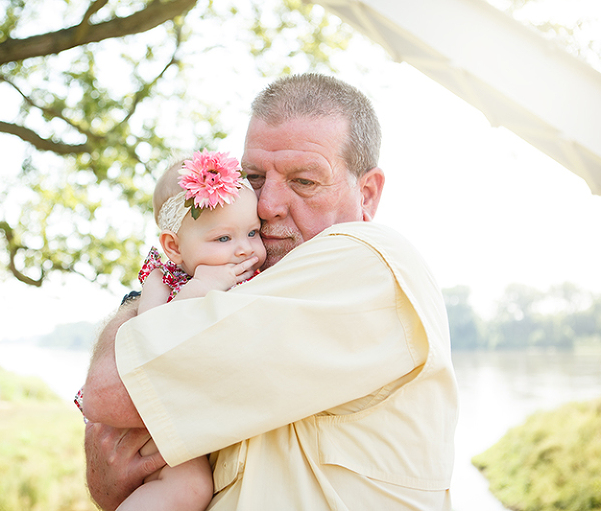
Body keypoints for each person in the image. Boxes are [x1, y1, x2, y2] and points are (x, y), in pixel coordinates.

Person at [82, 73, 459, 510]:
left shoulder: (369, 260)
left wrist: (151, 295)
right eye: (255, 177)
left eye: (304, 181)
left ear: (368, 193)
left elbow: (109, 391)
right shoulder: (243, 299)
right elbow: (118, 473)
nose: (265, 206)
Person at [77, 150, 266, 511]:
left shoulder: (250, 273)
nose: (244, 249)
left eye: (252, 232)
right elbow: (149, 335)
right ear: (174, 247)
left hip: (198, 413)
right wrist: (201, 289)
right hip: (147, 421)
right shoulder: (164, 280)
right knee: (190, 486)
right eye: (223, 239)